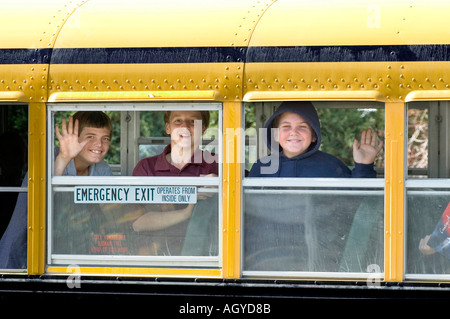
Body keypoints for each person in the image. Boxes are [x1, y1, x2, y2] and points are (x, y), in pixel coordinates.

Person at [131, 110, 218, 255]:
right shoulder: (146, 167)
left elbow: (253, 191)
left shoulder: (219, 165)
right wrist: (186, 212)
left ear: (203, 129)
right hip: (154, 259)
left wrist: (222, 186)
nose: (184, 126)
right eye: (178, 121)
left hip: (208, 259)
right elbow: (137, 223)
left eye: (192, 122)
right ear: (168, 128)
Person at [248, 101, 383, 177]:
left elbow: (356, 203)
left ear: (314, 136)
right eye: (286, 126)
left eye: (302, 127)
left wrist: (364, 165)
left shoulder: (330, 165)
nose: (293, 132)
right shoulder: (262, 167)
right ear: (276, 134)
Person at [54, 111, 113, 176]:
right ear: (74, 137)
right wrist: (64, 158)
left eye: (105, 138)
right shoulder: (48, 157)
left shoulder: (103, 170)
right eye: (90, 137)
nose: (99, 144)